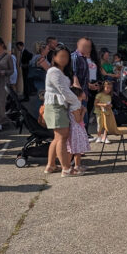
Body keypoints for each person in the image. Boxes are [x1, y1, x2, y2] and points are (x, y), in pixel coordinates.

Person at [40, 45, 81, 175]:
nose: (64, 59)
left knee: (57, 138)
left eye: (66, 57)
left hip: (57, 106)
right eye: (61, 56)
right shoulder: (54, 71)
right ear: (54, 57)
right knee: (63, 137)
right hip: (56, 106)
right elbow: (64, 91)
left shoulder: (60, 72)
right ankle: (66, 168)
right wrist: (76, 102)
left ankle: (51, 165)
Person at [67, 86, 91, 175]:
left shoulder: (76, 104)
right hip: (76, 129)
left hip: (76, 128)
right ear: (78, 95)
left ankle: (72, 165)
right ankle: (74, 166)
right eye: (83, 92)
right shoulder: (75, 105)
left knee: (74, 148)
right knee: (76, 149)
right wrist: (83, 111)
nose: (85, 93)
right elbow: (78, 120)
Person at [94, 80, 114, 144]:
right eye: (107, 88)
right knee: (100, 125)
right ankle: (99, 136)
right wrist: (103, 105)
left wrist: (110, 106)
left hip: (106, 112)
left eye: (110, 88)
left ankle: (105, 137)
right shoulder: (99, 95)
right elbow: (95, 104)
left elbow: (109, 103)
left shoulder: (109, 96)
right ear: (103, 87)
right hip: (99, 112)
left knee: (106, 125)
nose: (109, 90)